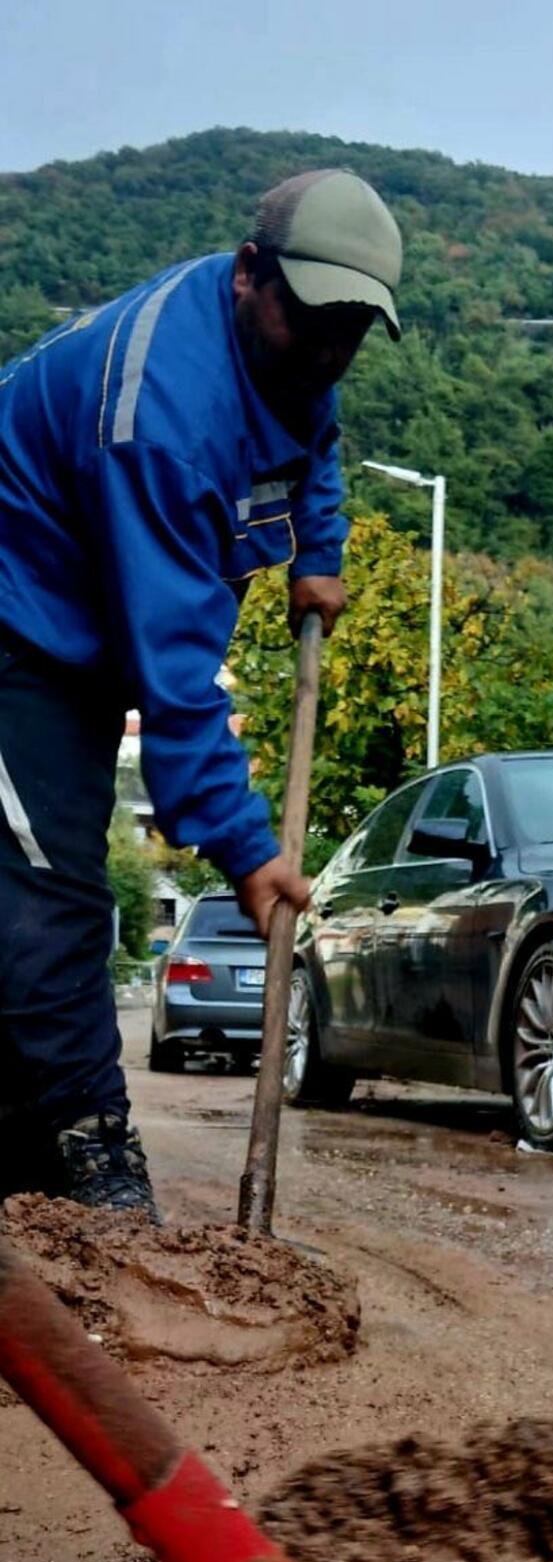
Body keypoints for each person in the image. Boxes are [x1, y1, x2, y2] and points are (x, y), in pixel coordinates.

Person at [0, 167, 402, 1219]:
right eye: (313, 319)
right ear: (247, 276)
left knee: (41, 881)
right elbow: (175, 676)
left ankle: (19, 1153)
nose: (330, 349)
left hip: (76, 628)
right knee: (53, 892)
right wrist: (246, 846)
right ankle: (88, 1155)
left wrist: (319, 548)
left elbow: (316, 431)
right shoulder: (162, 418)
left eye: (353, 330)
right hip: (15, 621)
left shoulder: (300, 351)